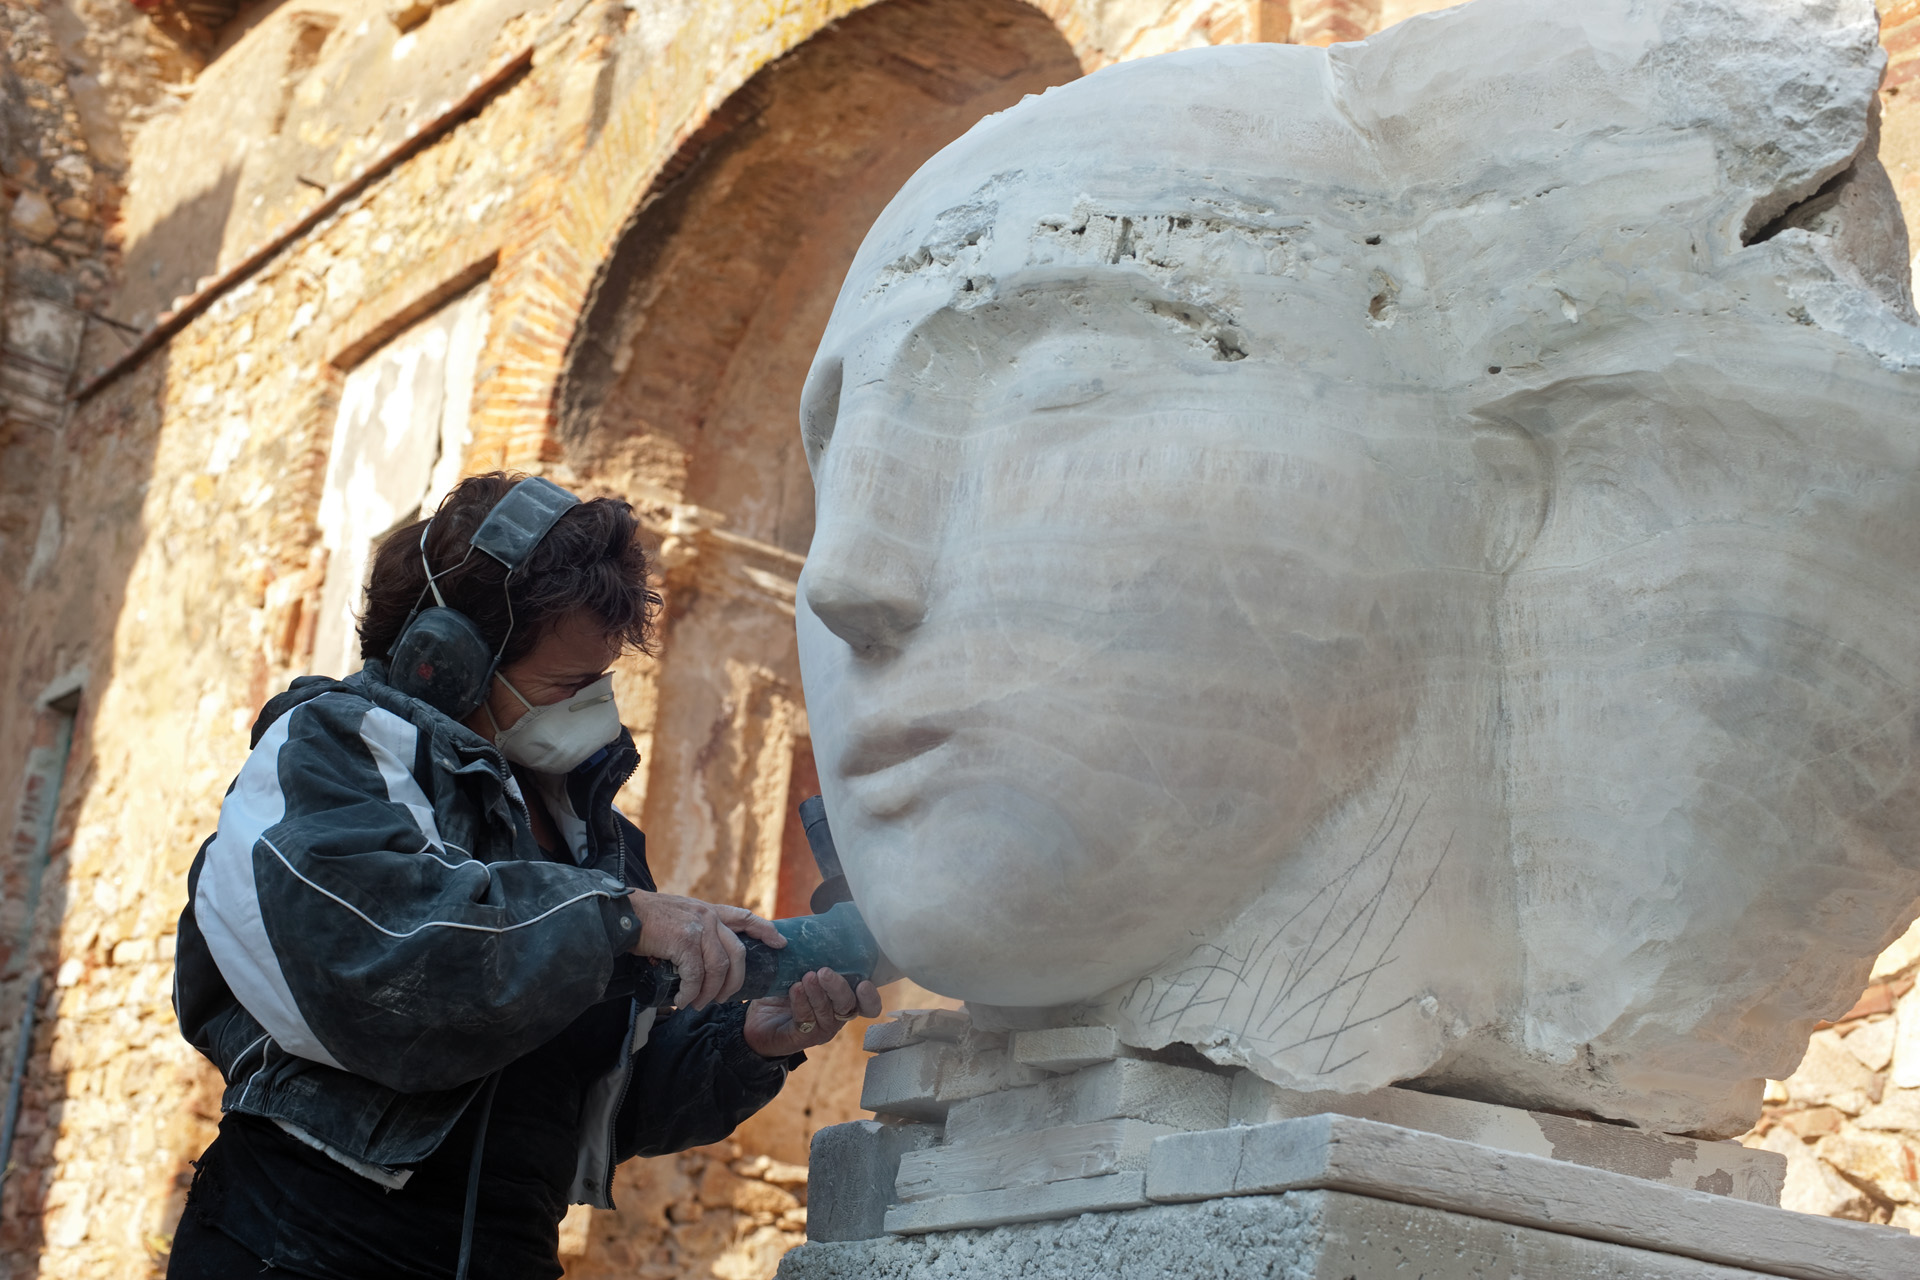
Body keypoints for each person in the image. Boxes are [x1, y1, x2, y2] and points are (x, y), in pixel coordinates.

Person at [168, 473, 880, 1279]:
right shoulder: (329, 751)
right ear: (448, 662)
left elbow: (595, 1103)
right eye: (570, 685)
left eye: (603, 680)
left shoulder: (598, 847)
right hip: (302, 1246)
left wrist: (753, 1039)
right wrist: (624, 922)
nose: (596, 707)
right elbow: (385, 954)